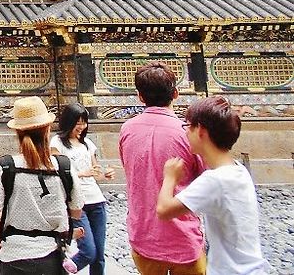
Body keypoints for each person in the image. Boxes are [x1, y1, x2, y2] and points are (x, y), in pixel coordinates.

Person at [156, 96, 268, 275]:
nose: (185, 133)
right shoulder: (237, 170)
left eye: (188, 127)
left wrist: (169, 177)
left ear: (200, 130)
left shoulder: (215, 180)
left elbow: (164, 210)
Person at [119, 62, 205, 275]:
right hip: (184, 238)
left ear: (140, 96)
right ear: (175, 93)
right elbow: (204, 183)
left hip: (143, 235)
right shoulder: (188, 134)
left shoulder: (127, 130)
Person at [0, 96, 84, 274]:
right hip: (52, 254)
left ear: (17, 132)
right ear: (47, 130)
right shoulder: (63, 166)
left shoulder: (6, 166)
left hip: (14, 254)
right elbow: (76, 210)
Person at [50, 104, 114, 275]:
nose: (81, 126)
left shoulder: (87, 144)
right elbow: (58, 175)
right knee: (88, 251)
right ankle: (64, 268)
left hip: (96, 200)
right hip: (77, 202)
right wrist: (82, 173)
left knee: (99, 255)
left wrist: (104, 173)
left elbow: (95, 170)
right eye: (78, 122)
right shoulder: (57, 143)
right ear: (68, 122)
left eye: (84, 122)